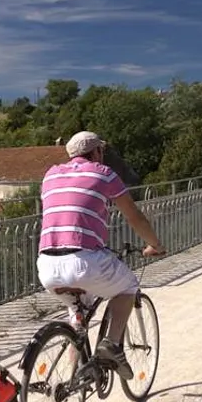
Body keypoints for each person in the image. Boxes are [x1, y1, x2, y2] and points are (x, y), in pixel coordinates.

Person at [35, 130, 165, 380]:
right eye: (101, 151)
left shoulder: (50, 174)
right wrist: (154, 244)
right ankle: (112, 345)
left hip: (47, 265)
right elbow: (133, 215)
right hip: (84, 260)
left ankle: (73, 379)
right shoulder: (104, 174)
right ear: (97, 152)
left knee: (77, 316)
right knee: (128, 286)